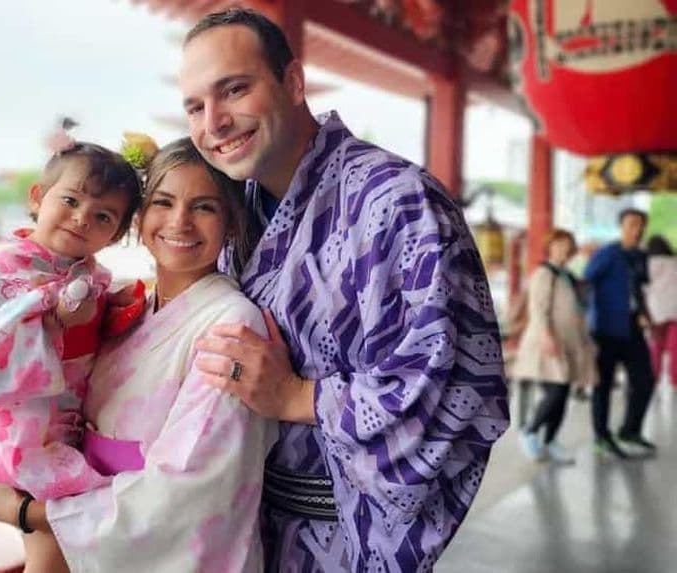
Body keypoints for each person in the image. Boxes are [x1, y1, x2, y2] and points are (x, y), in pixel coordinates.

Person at [179, 8, 509, 571]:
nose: (214, 122)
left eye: (234, 90)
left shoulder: (399, 202)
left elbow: (455, 387)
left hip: (344, 545)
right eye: (195, 106)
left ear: (293, 81)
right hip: (244, 535)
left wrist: (294, 396)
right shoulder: (235, 216)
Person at [0, 137, 277, 573]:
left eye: (205, 207)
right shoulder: (125, 308)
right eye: (164, 203)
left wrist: (28, 513)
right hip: (94, 533)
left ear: (231, 222)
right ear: (138, 218)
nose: (180, 222)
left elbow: (190, 487)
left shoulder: (231, 325)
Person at [0, 126, 144, 571]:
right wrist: (50, 320)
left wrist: (106, 311)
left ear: (117, 234)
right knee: (51, 556)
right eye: (70, 200)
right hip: (26, 437)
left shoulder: (89, 272)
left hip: (67, 428)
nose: (82, 218)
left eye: (104, 216)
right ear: (38, 197)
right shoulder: (4, 270)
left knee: (73, 553)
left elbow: (88, 325)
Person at [515, 229, 596, 464]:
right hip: (548, 342)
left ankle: (550, 440)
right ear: (550, 248)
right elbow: (538, 309)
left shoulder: (567, 275)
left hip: (569, 342)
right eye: (558, 244)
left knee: (563, 394)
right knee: (556, 391)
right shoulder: (544, 273)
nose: (563, 249)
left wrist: (586, 342)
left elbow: (578, 309)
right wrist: (547, 336)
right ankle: (530, 431)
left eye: (567, 245)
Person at [585, 207, 656, 458]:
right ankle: (601, 438)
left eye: (640, 225)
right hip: (606, 328)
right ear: (622, 226)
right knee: (603, 384)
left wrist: (646, 315)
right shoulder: (607, 253)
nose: (637, 229)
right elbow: (586, 281)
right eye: (632, 224)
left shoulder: (639, 256)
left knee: (646, 380)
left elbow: (638, 289)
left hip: (633, 328)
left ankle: (630, 430)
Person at [644, 235, 677, 389]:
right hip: (675, 312)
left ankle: (652, 379)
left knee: (655, 348)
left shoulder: (647, 264)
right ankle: (674, 381)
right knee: (675, 349)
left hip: (655, 312)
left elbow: (643, 288)